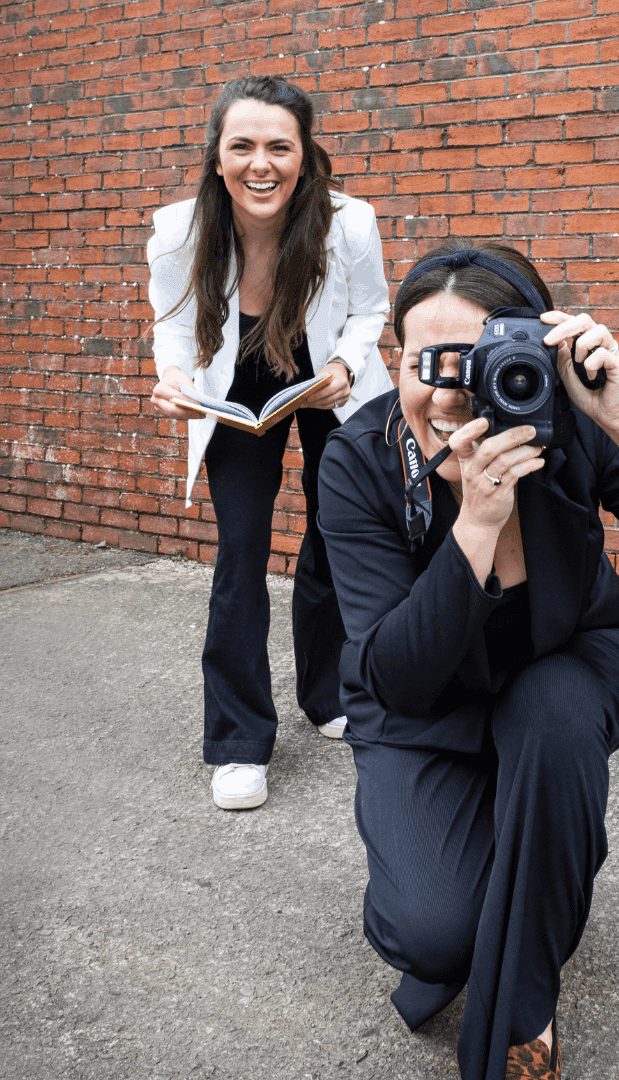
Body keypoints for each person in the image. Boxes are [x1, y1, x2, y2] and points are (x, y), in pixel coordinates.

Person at [317, 241, 619, 1079]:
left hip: (564, 663)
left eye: (475, 361)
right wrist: (475, 524)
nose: (449, 394)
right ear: (395, 362)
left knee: (552, 718)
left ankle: (522, 1017)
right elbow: (397, 677)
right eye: (425, 364)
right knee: (432, 934)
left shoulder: (567, 425)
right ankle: (540, 857)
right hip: (424, 704)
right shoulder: (359, 461)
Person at [147, 76, 391, 810]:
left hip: (325, 377)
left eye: (280, 147)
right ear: (217, 157)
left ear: (305, 156)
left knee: (336, 534)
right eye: (243, 146)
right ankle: (238, 741)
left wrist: (346, 365)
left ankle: (330, 694)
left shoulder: (349, 223)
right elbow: (174, 324)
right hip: (236, 379)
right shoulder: (180, 230)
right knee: (242, 549)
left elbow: (371, 307)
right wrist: (173, 379)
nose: (262, 164)